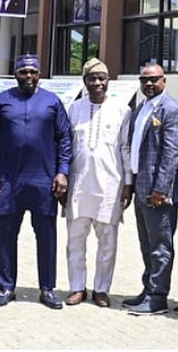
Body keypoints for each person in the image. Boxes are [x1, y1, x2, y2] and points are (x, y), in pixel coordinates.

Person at [0, 54, 71, 310]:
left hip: (44, 180)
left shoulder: (52, 102)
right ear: (15, 74)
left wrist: (62, 172)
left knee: (46, 236)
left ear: (40, 74)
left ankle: (47, 288)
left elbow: (64, 139)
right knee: (6, 235)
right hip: (8, 180)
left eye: (33, 72)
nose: (29, 76)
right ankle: (6, 287)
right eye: (23, 72)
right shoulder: (1, 101)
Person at [64, 58, 131, 309]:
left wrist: (129, 183)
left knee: (108, 242)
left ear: (108, 81)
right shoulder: (74, 109)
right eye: (92, 78)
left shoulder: (122, 110)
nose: (97, 83)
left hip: (110, 184)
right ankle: (77, 287)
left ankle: (101, 289)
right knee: (75, 239)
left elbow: (124, 148)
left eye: (102, 78)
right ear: (85, 82)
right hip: (79, 183)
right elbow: (66, 147)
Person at [120, 63, 178, 316]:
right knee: (146, 243)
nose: (149, 84)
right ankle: (148, 288)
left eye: (154, 80)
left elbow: (172, 153)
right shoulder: (141, 110)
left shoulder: (171, 110)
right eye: (144, 80)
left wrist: (162, 189)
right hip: (141, 186)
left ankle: (158, 296)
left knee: (160, 246)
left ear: (164, 81)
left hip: (159, 193)